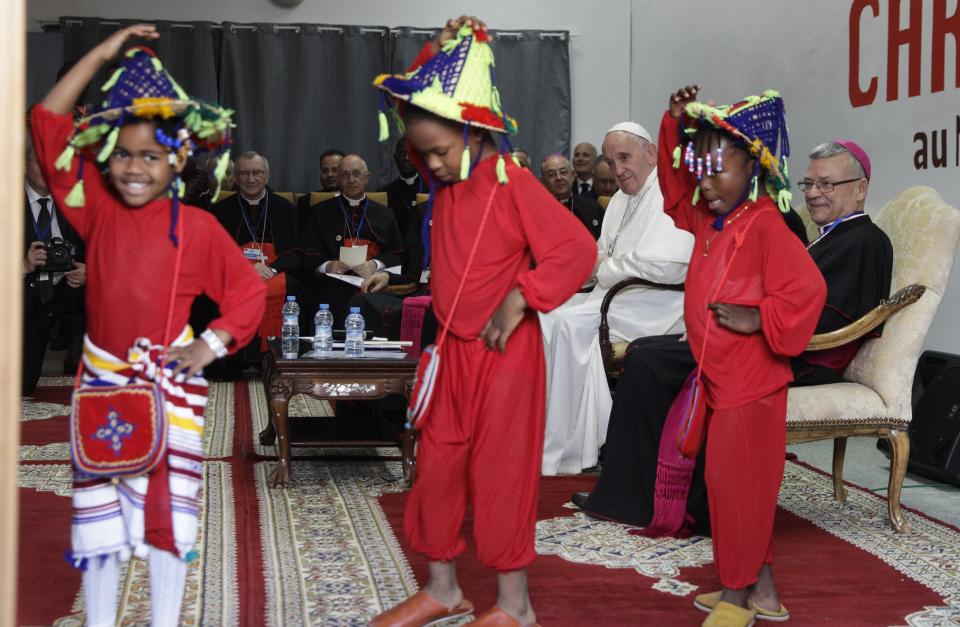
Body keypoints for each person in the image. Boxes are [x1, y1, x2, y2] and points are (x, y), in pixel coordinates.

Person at [31, 25, 264, 627]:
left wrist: (206, 346)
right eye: (124, 154)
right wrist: (103, 54)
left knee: (167, 516)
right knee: (100, 522)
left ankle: (164, 620)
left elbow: (246, 294)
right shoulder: (96, 208)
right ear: (108, 156)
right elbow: (48, 122)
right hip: (103, 389)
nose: (135, 168)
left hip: (167, 391)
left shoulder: (200, 229)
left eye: (151, 156)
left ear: (179, 158)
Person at [370, 16, 596, 627]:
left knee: (501, 476)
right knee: (438, 468)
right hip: (452, 354)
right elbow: (414, 108)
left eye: (440, 152)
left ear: (473, 133)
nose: (431, 165)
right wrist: (442, 50)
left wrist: (523, 296)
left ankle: (514, 607)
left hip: (505, 359)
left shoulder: (512, 182)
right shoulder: (448, 181)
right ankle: (444, 589)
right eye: (424, 154)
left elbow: (576, 251)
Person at [575, 138, 892, 546]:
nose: (813, 193)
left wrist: (750, 324)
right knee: (646, 350)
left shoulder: (866, 241)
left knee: (650, 361)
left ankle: (654, 502)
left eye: (827, 185)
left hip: (796, 358)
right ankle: (641, 495)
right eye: (808, 183)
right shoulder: (828, 236)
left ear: (861, 188)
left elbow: (823, 321)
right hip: (764, 343)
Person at [646, 86, 825, 627]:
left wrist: (759, 318)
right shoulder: (708, 215)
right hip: (720, 382)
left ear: (753, 164)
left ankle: (737, 597)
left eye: (718, 170)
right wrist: (673, 124)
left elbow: (808, 290)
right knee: (726, 488)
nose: (704, 182)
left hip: (752, 385)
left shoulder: (768, 223)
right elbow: (675, 190)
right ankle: (762, 591)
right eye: (701, 170)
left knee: (741, 490)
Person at [539, 121, 694, 475]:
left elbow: (670, 266)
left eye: (624, 158)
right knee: (544, 317)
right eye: (610, 161)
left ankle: (574, 446)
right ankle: (561, 435)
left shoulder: (671, 193)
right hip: (617, 297)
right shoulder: (620, 200)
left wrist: (606, 269)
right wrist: (592, 266)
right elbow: (599, 254)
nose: (618, 170)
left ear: (651, 153)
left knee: (565, 323)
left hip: (655, 305)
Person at [210, 150, 301, 358]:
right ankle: (236, 360)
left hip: (274, 272)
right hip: (236, 273)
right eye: (244, 173)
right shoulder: (220, 210)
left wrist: (271, 269)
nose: (251, 179)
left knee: (293, 287)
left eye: (257, 173)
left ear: (267, 175)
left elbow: (296, 253)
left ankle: (275, 356)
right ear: (235, 177)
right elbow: (214, 255)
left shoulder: (285, 208)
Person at [300, 154, 403, 326]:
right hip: (333, 286)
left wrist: (375, 265)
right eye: (345, 175)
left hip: (373, 283)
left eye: (357, 174)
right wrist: (328, 266)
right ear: (338, 179)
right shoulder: (320, 213)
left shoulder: (385, 214)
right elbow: (307, 256)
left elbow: (398, 256)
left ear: (367, 177)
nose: (351, 179)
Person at [22, 132, 86, 394]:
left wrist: (87, 270)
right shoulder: (8, 203)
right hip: (21, 297)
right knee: (22, 385)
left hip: (63, 292)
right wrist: (22, 265)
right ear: (25, 166)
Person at [540, 154, 604, 239]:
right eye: (551, 174)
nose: (559, 178)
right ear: (543, 181)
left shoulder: (593, 208)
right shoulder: (537, 212)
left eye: (563, 172)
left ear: (573, 175)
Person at [379, 138, 427, 236]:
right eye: (402, 154)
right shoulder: (384, 193)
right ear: (395, 158)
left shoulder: (433, 190)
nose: (407, 157)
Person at [295, 148, 344, 228]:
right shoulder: (306, 202)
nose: (329, 175)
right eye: (325, 170)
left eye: (335, 170)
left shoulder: (356, 200)